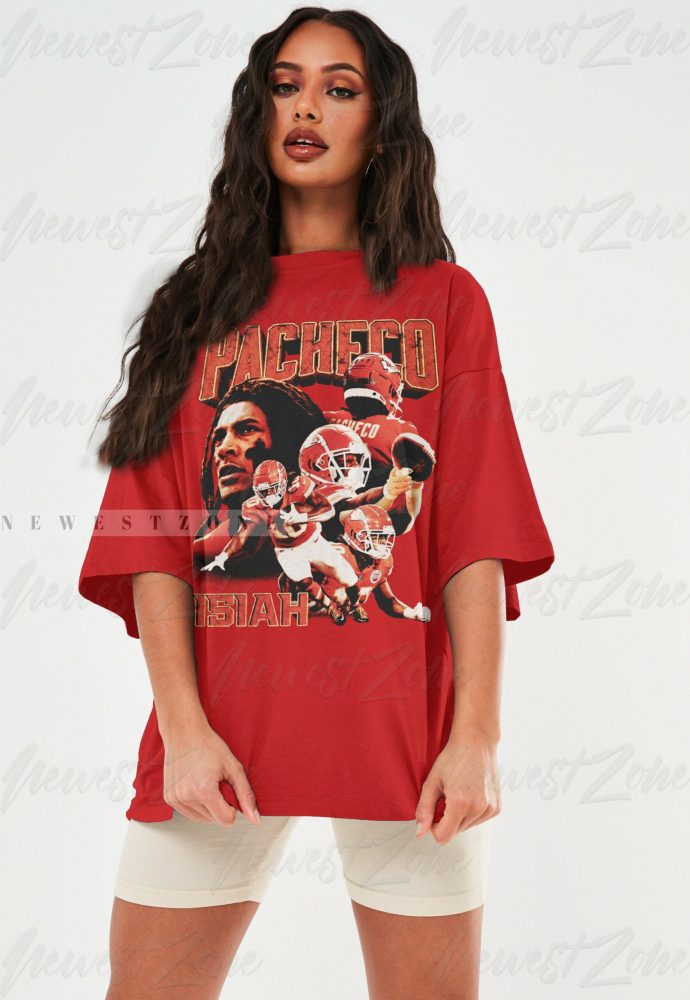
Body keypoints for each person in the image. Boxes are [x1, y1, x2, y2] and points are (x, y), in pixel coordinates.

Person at [78, 9, 555, 1000]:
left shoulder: (445, 301)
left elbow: (473, 533)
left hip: (408, 742)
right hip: (217, 739)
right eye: (286, 86)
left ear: (382, 129)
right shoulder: (194, 308)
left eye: (340, 89)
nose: (306, 108)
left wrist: (476, 737)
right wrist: (184, 731)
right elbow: (154, 540)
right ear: (258, 114)